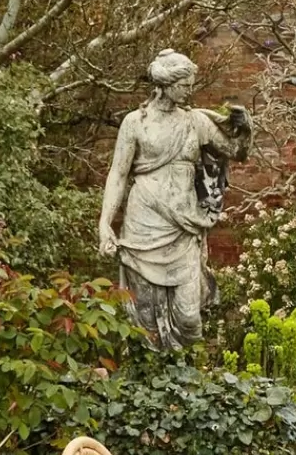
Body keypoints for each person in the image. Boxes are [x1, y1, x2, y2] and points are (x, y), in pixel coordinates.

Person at [97, 49, 251, 350]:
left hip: (183, 225)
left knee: (189, 317)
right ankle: (149, 383)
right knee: (144, 318)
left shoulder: (196, 122)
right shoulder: (134, 123)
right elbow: (117, 174)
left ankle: (188, 380)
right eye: (185, 85)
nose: (189, 91)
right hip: (144, 223)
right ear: (166, 83)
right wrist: (105, 224)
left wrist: (244, 127)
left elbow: (235, 151)